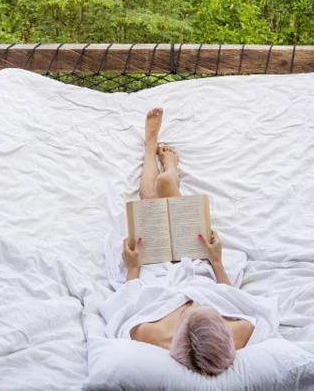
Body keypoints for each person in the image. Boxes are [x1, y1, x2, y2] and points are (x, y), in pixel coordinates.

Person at [98, 107, 278, 376]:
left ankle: (152, 151)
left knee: (151, 207)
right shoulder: (242, 331)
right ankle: (169, 173)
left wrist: (133, 267)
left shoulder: (147, 334)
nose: (194, 306)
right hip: (198, 264)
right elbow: (231, 298)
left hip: (154, 272)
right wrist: (216, 260)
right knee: (170, 210)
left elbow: (125, 306)